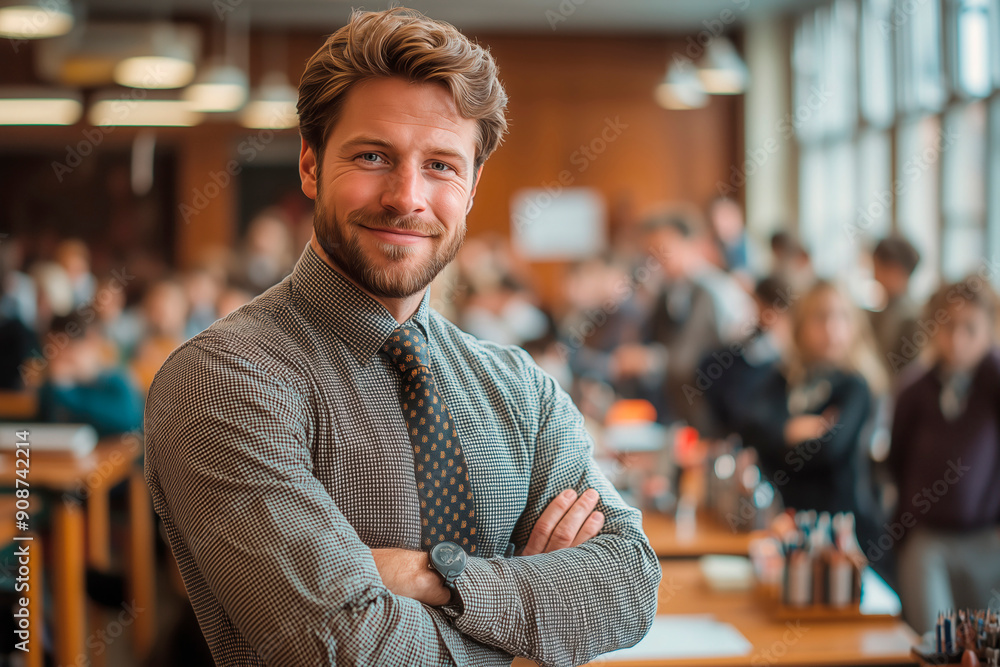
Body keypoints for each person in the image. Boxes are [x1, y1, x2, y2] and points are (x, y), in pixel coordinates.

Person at [143, 8, 659, 667]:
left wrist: (428, 575)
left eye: (441, 165)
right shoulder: (223, 379)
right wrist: (532, 622)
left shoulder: (520, 388)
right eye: (372, 156)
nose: (406, 196)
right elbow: (343, 648)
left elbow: (628, 585)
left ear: (472, 189)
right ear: (309, 163)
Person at [735, 281, 886, 548]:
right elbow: (748, 426)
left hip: (837, 529)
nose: (831, 329)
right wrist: (789, 431)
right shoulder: (784, 377)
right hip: (783, 522)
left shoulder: (855, 386)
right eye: (820, 317)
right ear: (801, 325)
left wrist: (775, 441)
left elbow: (828, 450)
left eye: (841, 317)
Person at [889, 277, 1000, 634]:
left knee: (983, 647)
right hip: (927, 541)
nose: (957, 340)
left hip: (986, 540)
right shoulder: (914, 392)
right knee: (934, 643)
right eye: (947, 326)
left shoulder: (993, 386)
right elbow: (896, 461)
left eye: (971, 328)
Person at [38, 313, 144, 437]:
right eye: (50, 351)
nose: (58, 359)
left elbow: (129, 421)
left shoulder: (117, 381)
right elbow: (46, 426)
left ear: (91, 342)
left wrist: (66, 391)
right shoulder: (52, 385)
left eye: (68, 349)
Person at [869, 235, 921, 378]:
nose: (873, 276)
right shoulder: (889, 310)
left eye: (876, 267)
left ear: (894, 270)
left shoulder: (908, 317)